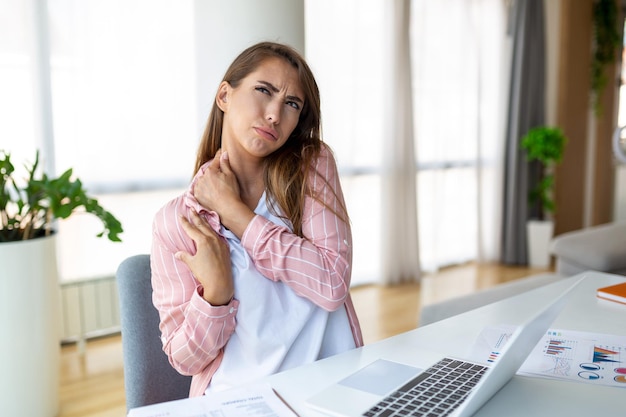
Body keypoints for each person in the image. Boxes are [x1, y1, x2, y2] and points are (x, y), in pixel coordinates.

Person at [151, 41, 363, 397]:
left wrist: (236, 213)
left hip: (330, 392)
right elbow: (183, 359)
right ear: (224, 96)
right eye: (264, 91)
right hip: (238, 401)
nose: (274, 114)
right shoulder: (176, 222)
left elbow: (331, 284)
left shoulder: (310, 168)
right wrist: (215, 296)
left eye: (291, 104)